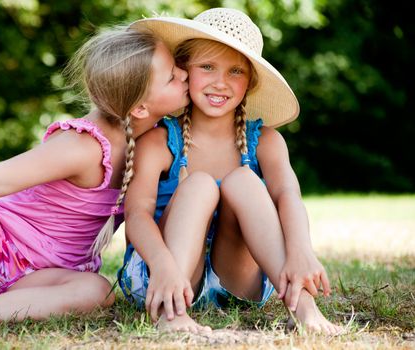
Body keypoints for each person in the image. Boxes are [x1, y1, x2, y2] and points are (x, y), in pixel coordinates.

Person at [0, 25, 189, 323]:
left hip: (46, 279)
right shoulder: (84, 146)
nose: (184, 75)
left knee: (98, 291)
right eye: (172, 77)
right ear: (138, 108)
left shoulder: (157, 141)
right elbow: (0, 178)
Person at [118, 8, 342, 335]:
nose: (220, 82)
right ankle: (171, 316)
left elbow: (288, 196)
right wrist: (164, 265)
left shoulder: (265, 142)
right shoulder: (159, 141)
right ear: (185, 71)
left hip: (236, 282)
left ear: (249, 82)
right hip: (165, 275)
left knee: (244, 181)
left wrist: (301, 251)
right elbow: (136, 213)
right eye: (207, 67)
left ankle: (304, 309)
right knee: (199, 185)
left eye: (235, 71)